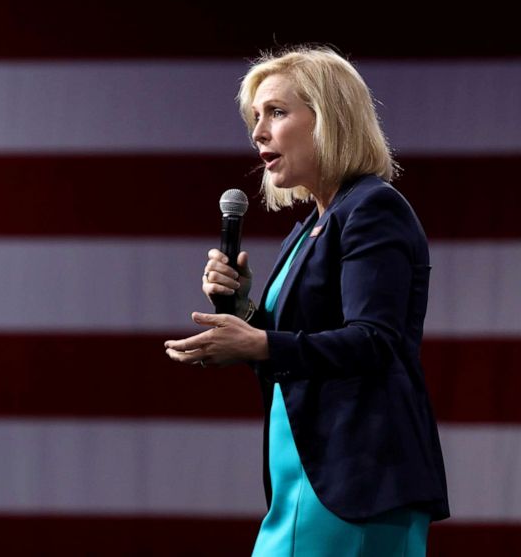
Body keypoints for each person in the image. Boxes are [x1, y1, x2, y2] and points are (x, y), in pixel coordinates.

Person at [164, 46, 449, 555]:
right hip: (309, 477)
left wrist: (259, 343)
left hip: (356, 480)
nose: (258, 133)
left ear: (330, 119)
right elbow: (298, 340)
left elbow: (374, 341)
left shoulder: (372, 208)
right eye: (256, 117)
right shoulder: (313, 226)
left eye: (276, 111)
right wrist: (244, 311)